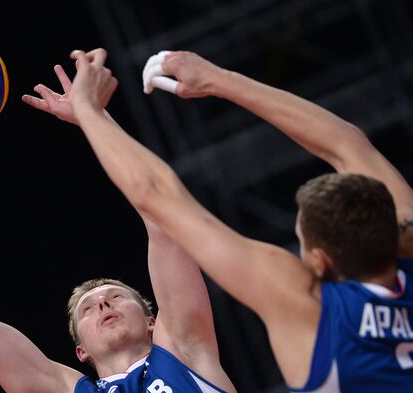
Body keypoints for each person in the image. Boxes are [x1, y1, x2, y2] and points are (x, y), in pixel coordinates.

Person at [22, 48, 413, 392]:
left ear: (320, 261)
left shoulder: (299, 300)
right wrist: (219, 80)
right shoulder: (407, 233)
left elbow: (158, 197)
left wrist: (215, 81)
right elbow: (348, 145)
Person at [0, 107, 236, 392]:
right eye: (88, 309)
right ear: (80, 350)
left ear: (152, 322)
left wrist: (94, 116)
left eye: (116, 297)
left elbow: (159, 211)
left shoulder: (185, 349)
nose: (102, 303)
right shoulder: (63, 388)